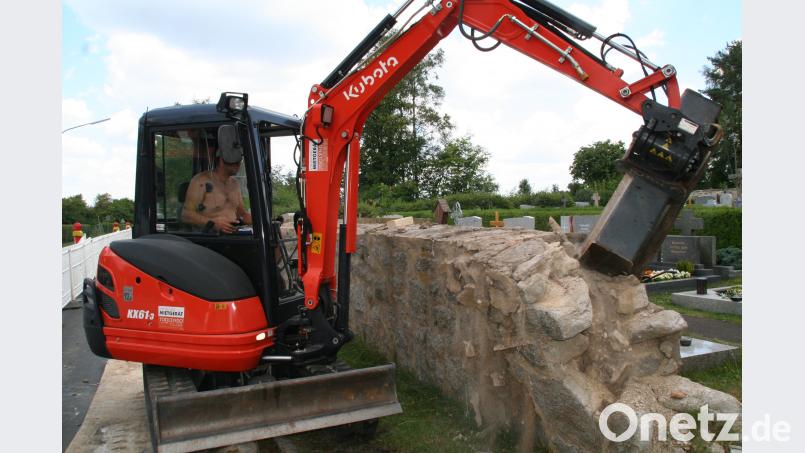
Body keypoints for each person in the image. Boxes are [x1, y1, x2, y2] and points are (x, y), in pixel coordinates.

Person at [181, 136, 252, 234]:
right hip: (210, 240)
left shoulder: (234, 184)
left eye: (239, 161)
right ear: (222, 160)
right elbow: (186, 215)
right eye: (235, 161)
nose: (239, 164)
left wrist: (266, 221)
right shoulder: (201, 181)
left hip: (232, 237)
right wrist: (212, 223)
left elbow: (242, 214)